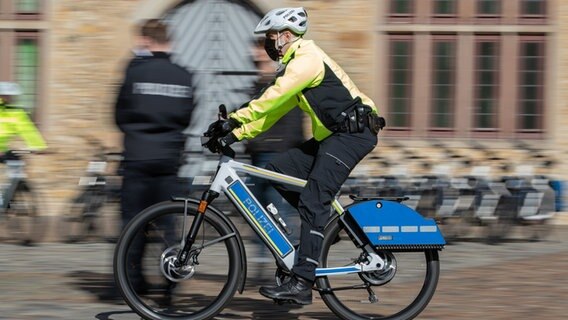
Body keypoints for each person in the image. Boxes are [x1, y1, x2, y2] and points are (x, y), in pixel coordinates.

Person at [206, 7, 385, 305]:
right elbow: (272, 112)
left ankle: (302, 282)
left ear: (286, 36)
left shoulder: (307, 59)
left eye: (271, 37)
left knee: (315, 199)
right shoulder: (294, 64)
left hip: (353, 135)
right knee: (278, 170)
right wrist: (234, 134)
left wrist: (233, 118)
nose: (268, 43)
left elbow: (274, 95)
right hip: (332, 137)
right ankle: (315, 237)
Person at [114, 19, 194, 292]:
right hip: (169, 159)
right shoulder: (184, 76)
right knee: (168, 223)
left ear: (146, 41)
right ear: (169, 41)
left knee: (133, 223)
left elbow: (118, 114)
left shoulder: (135, 73)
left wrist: (137, 132)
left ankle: (134, 283)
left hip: (137, 156)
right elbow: (187, 117)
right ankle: (171, 283)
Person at [245, 38, 305, 273]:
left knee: (276, 213)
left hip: (277, 156)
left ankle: (284, 262)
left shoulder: (283, 82)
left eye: (258, 48)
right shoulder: (257, 84)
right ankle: (264, 262)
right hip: (258, 156)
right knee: (258, 211)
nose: (253, 52)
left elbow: (292, 122)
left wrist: (287, 150)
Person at [0, 82, 47, 156]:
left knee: (14, 160)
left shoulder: (16, 113)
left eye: (10, 96)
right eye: (6, 96)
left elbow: (27, 129)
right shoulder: (15, 113)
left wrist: (36, 145)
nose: (9, 99)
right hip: (4, 152)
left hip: (4, 152)